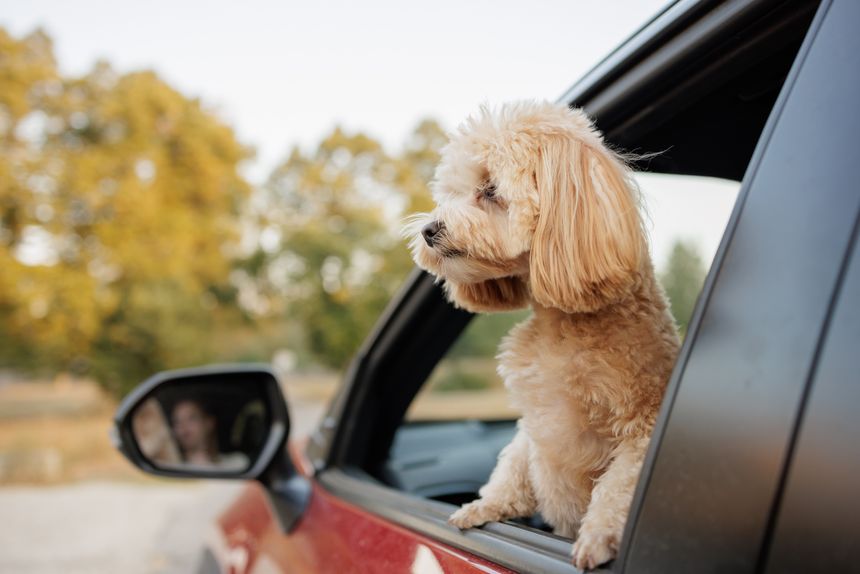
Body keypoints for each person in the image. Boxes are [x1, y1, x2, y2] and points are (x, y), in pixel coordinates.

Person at [170, 399, 249, 471]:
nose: (183, 426)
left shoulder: (237, 463)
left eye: (192, 418)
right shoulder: (170, 466)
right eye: (177, 422)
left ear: (209, 423)